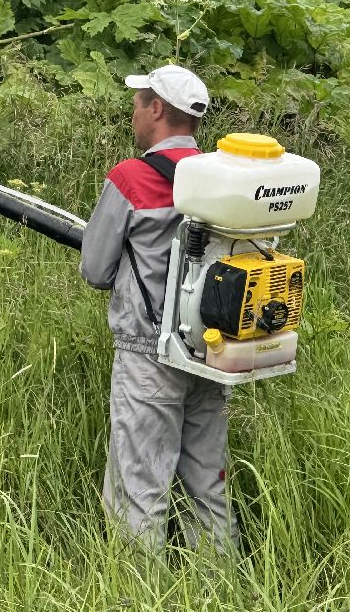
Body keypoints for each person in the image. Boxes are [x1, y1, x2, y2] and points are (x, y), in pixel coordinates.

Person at [79, 63, 236, 552]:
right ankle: (222, 590)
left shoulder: (131, 178)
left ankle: (133, 594)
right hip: (211, 353)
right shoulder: (224, 180)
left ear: (157, 109)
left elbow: (96, 270)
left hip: (148, 353)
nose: (134, 113)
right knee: (209, 488)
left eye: (137, 103)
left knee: (138, 491)